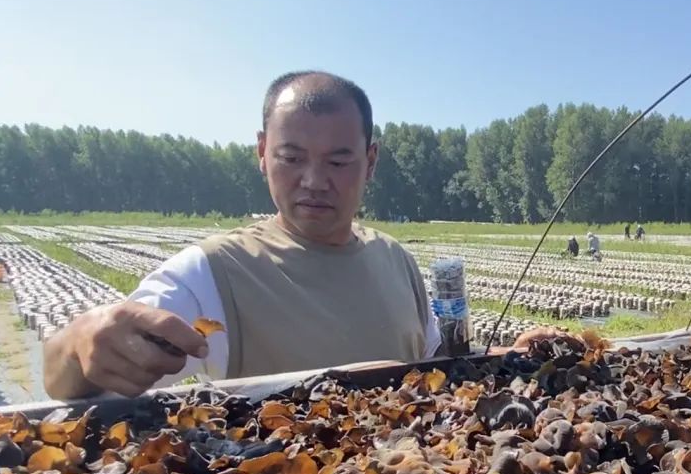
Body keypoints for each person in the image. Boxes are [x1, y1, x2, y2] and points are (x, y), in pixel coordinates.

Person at [44, 71, 550, 400]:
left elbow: (438, 369)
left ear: (369, 161)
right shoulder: (213, 276)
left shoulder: (395, 259)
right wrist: (76, 343)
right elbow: (66, 380)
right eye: (291, 158)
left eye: (338, 160)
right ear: (262, 152)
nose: (313, 181)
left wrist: (510, 358)